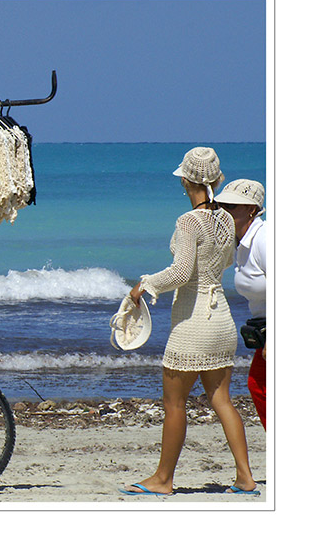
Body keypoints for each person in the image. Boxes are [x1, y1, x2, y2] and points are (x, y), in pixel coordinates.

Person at [123, 147, 258, 496]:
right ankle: (246, 478)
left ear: (185, 179)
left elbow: (181, 273)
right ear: (216, 180)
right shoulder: (227, 220)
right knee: (222, 399)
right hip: (222, 318)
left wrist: (144, 286)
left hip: (194, 322)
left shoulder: (188, 221)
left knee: (174, 404)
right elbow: (223, 263)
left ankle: (163, 480)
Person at [216, 178, 267, 428]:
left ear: (252, 210)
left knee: (261, 387)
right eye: (221, 206)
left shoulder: (264, 239)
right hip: (264, 331)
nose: (224, 212)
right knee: (259, 387)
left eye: (231, 207)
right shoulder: (239, 242)